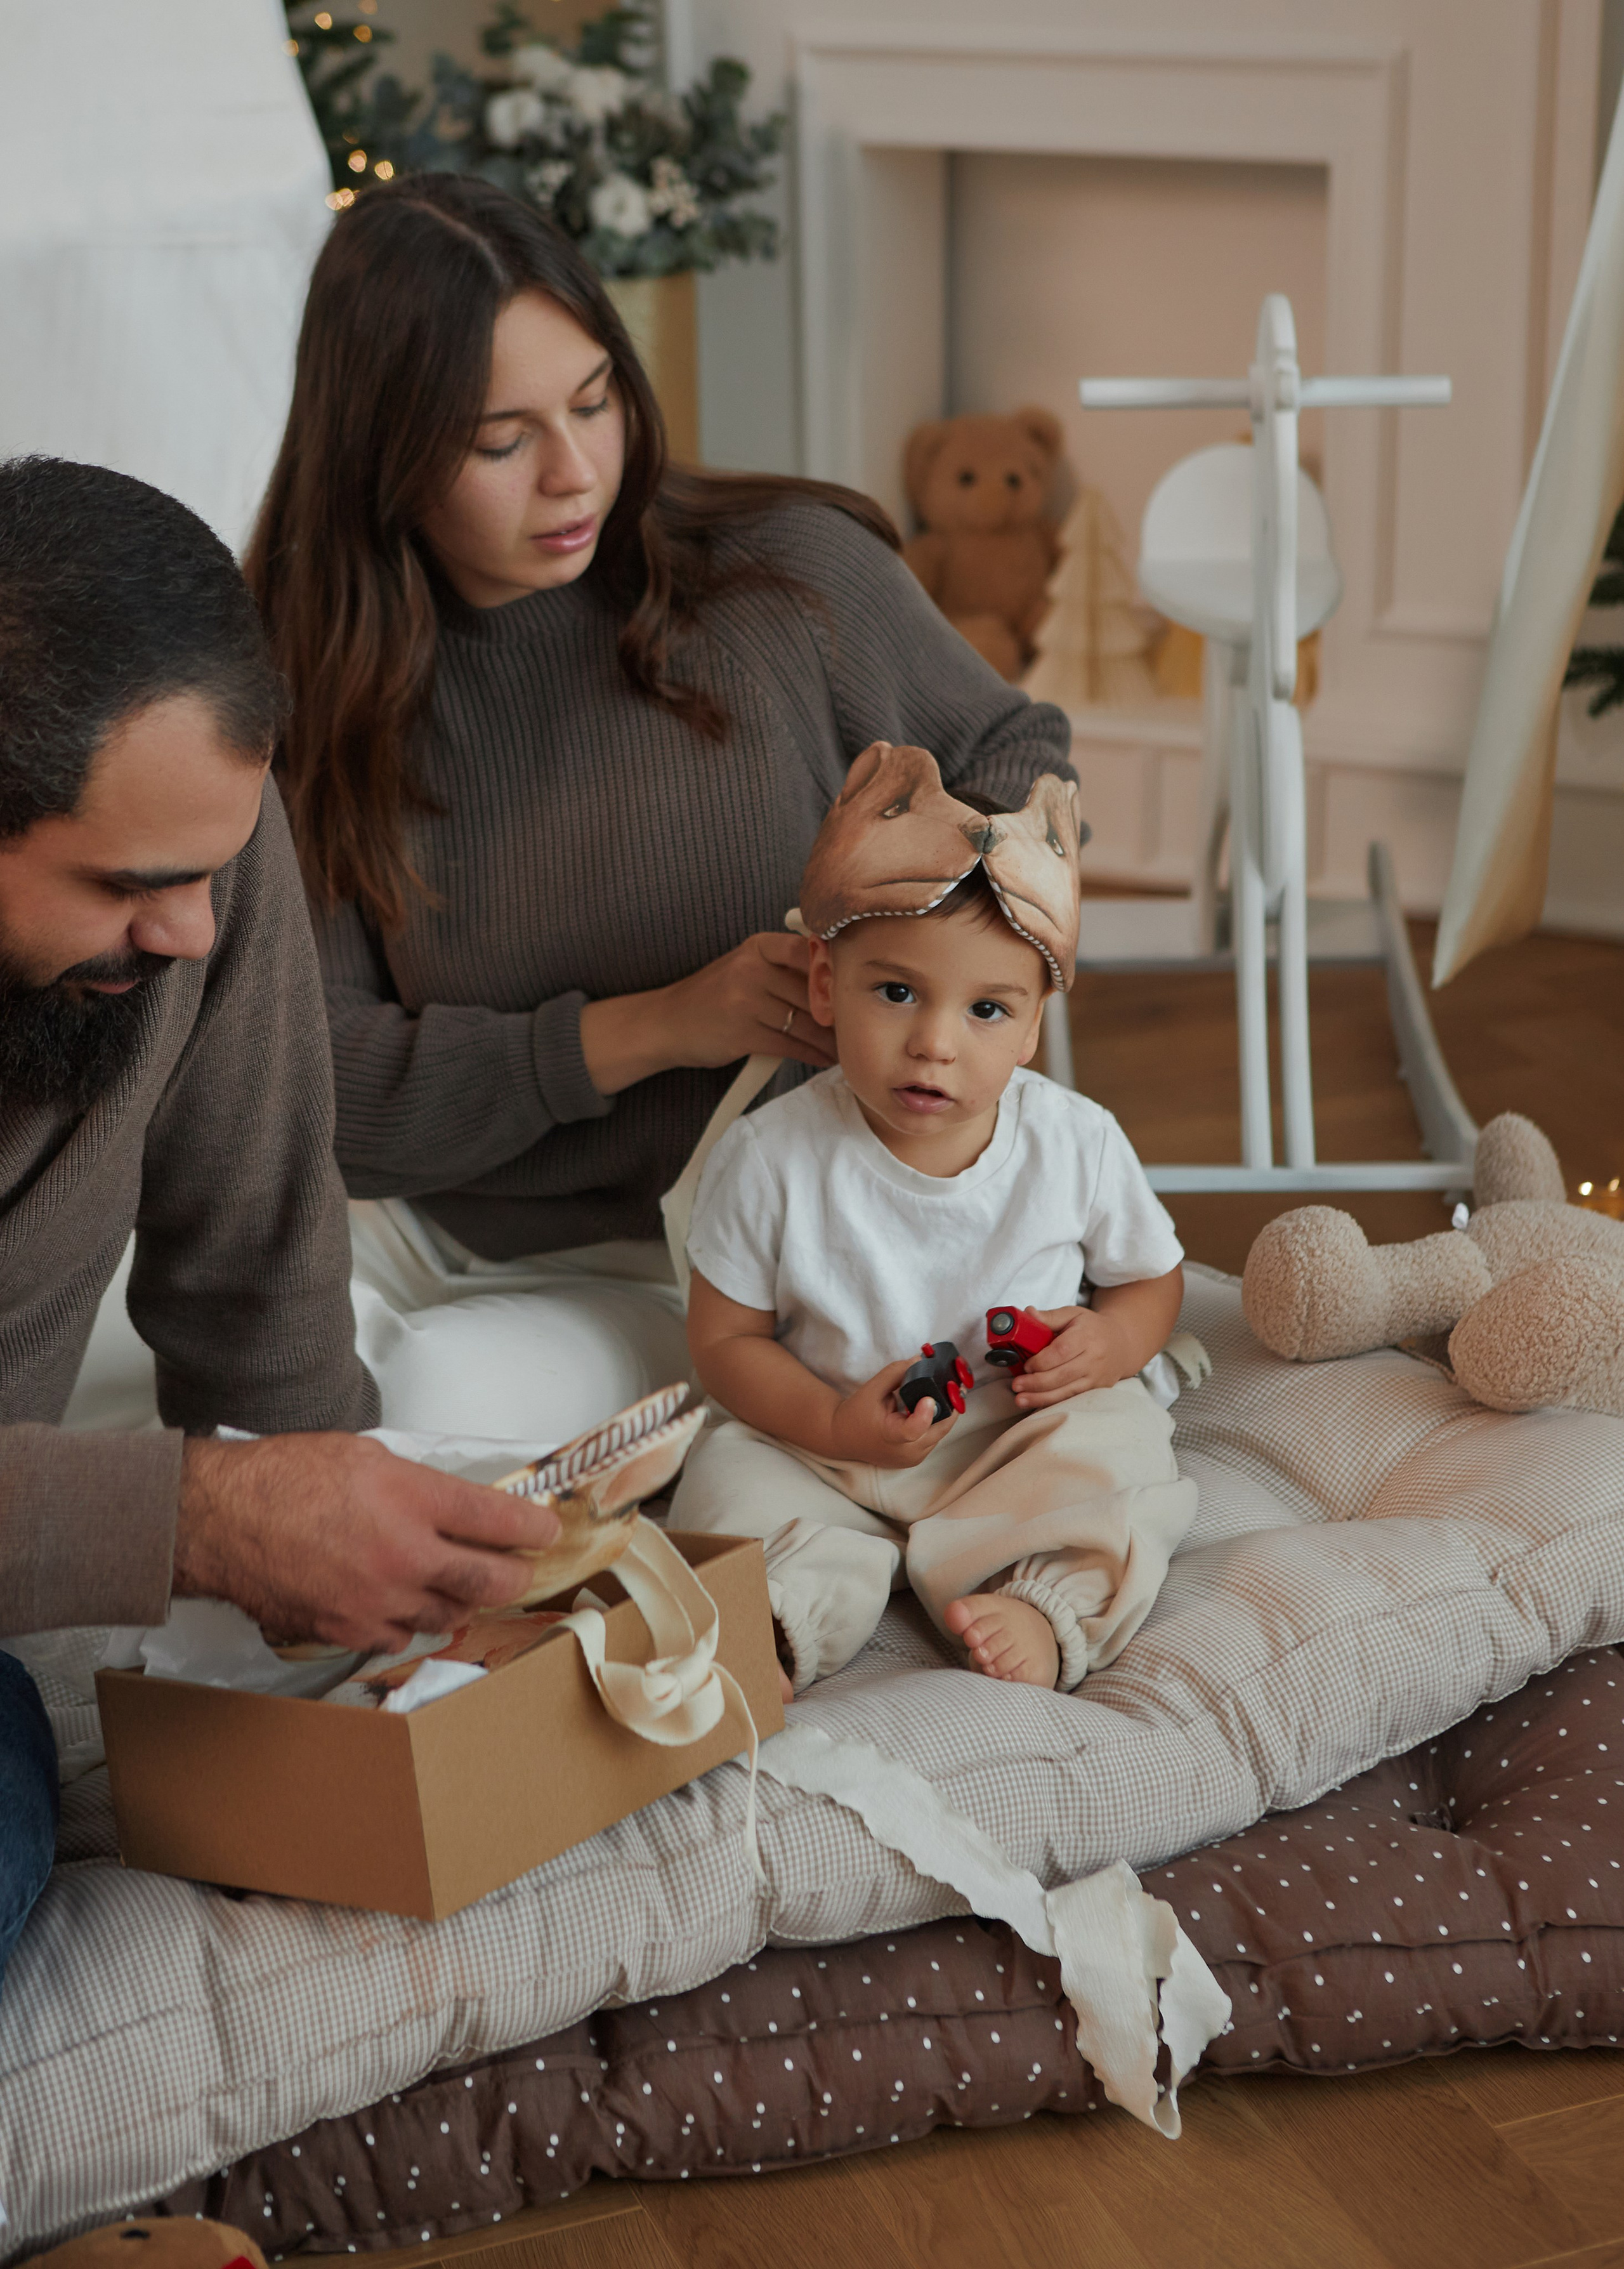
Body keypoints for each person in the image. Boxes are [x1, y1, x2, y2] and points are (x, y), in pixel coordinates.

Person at [246, 174, 1074, 1441]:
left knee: (398, 1416)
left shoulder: (783, 577)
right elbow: (321, 1089)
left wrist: (947, 910)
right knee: (197, 1388)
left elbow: (1012, 749)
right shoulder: (303, 688)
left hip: (728, 1269)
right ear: (384, 454)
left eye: (594, 402)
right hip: (429, 1232)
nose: (576, 473)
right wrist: (655, 1027)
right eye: (498, 439)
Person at [0, 457, 561, 1990]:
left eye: (212, 868)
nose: (187, 934)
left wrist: (370, 1642)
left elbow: (258, 1271)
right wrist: (197, 1517)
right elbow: (215, 1505)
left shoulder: (203, 876)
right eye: (126, 886)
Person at [669, 747, 1198, 1694]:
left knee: (1120, 1447)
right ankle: (782, 1620)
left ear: (1035, 1029)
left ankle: (1041, 1601)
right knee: (726, 1478)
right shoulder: (770, 1157)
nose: (935, 1043)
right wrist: (830, 1419)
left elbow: (1152, 1279)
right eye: (897, 992)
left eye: (989, 1009)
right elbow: (724, 1342)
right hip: (822, 1446)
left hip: (1009, 1441)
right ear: (827, 988)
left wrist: (1113, 1343)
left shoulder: (1075, 1143)